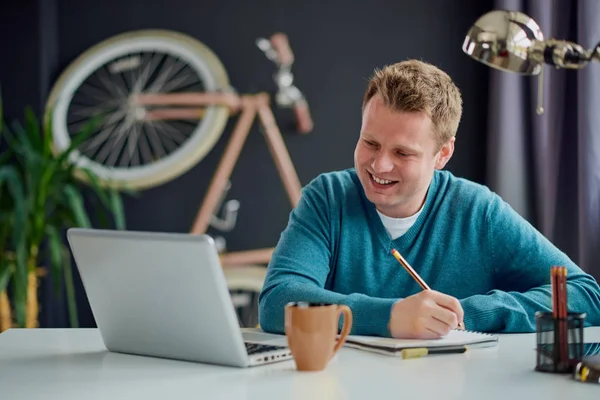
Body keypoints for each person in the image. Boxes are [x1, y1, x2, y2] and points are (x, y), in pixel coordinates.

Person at [257, 59, 600, 339]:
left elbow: (585, 294)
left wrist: (467, 314)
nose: (379, 164)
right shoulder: (327, 198)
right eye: (370, 143)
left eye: (402, 152)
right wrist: (391, 316)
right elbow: (277, 301)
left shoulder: (478, 211)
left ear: (443, 154)